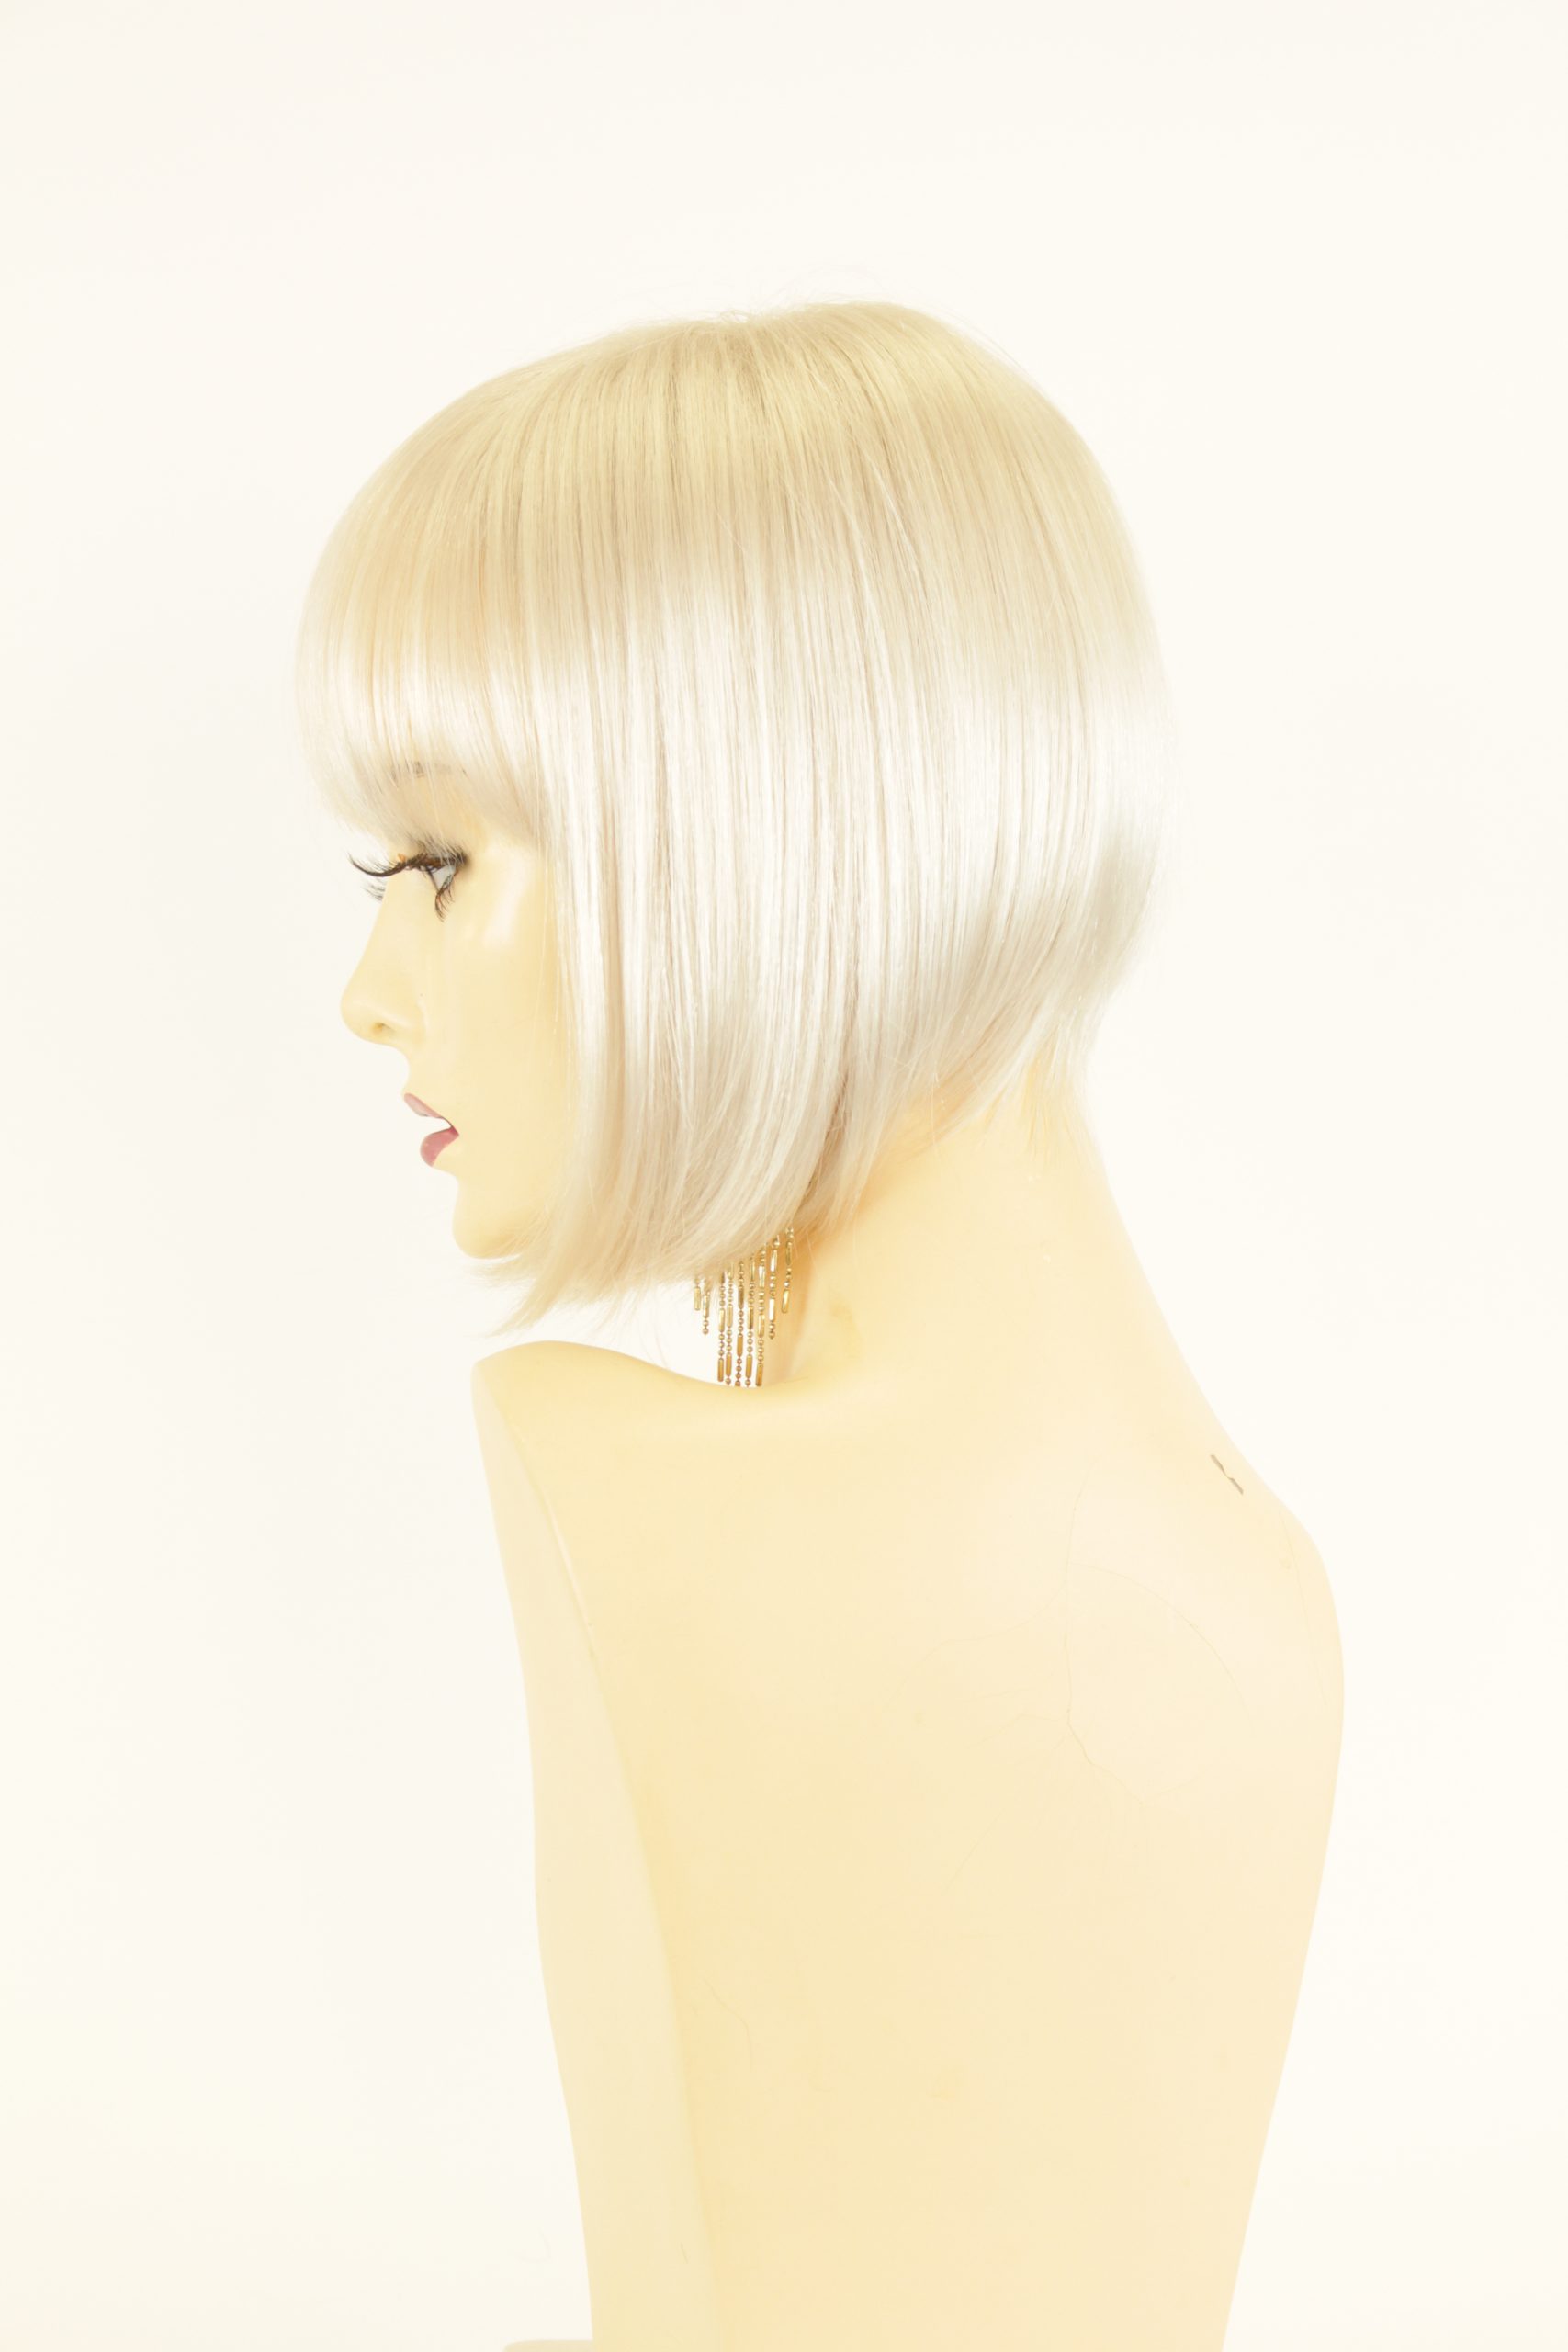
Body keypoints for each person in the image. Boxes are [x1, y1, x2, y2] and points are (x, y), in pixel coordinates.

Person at [306, 298, 1344, 2352]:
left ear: (757, 834)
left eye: (436, 861)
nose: (369, 991)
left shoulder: (617, 1490)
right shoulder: (1253, 1584)